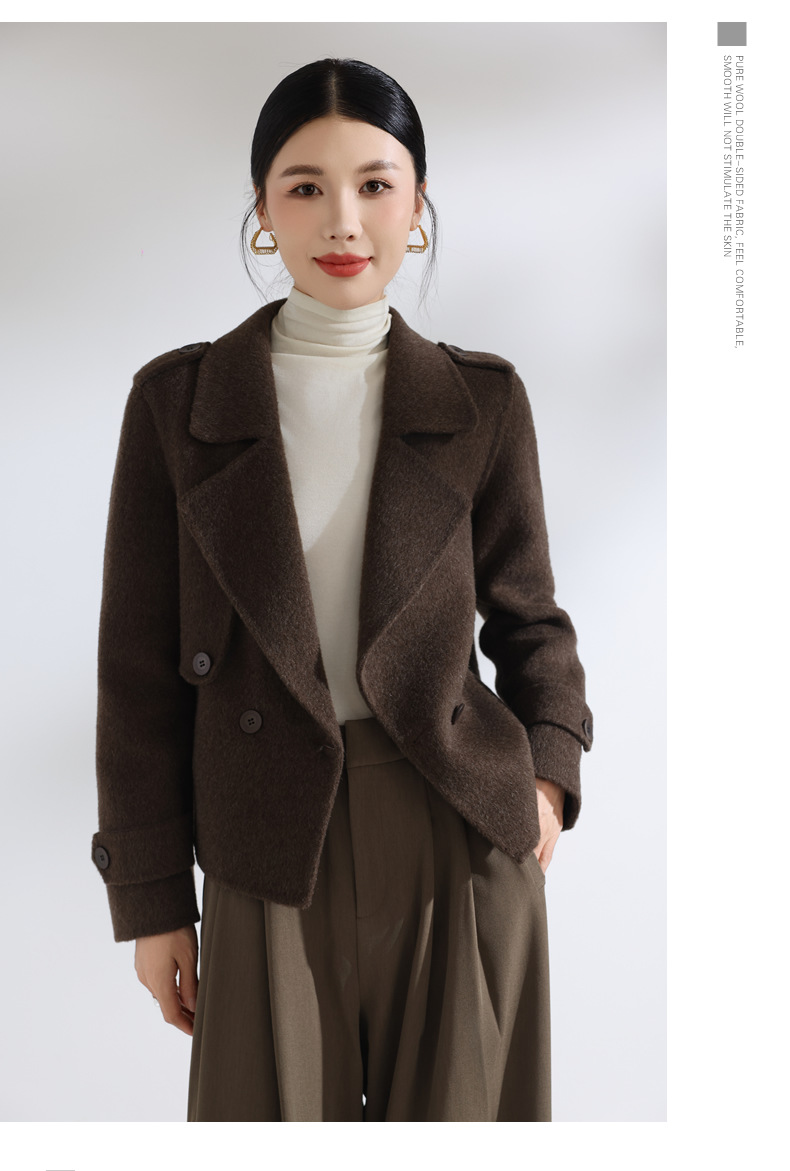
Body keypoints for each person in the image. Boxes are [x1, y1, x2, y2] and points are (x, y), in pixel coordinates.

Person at [90, 58, 593, 1122]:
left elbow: (531, 621)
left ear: (417, 206)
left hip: (457, 828)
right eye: (306, 186)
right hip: (263, 833)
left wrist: (547, 775)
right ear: (262, 211)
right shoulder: (177, 404)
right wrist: (151, 897)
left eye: (375, 183)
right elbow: (135, 676)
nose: (343, 220)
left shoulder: (483, 401)